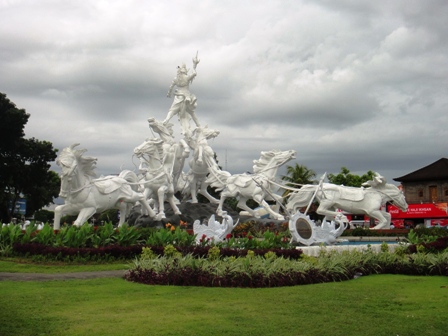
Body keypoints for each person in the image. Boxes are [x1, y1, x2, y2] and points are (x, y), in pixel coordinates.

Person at [163, 52, 201, 137]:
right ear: (185, 72)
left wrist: (169, 94)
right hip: (186, 98)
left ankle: (166, 120)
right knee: (192, 112)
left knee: (172, 111)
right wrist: (194, 65)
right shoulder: (187, 78)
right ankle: (199, 126)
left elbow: (170, 87)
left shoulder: (176, 79)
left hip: (178, 97)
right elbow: (194, 74)